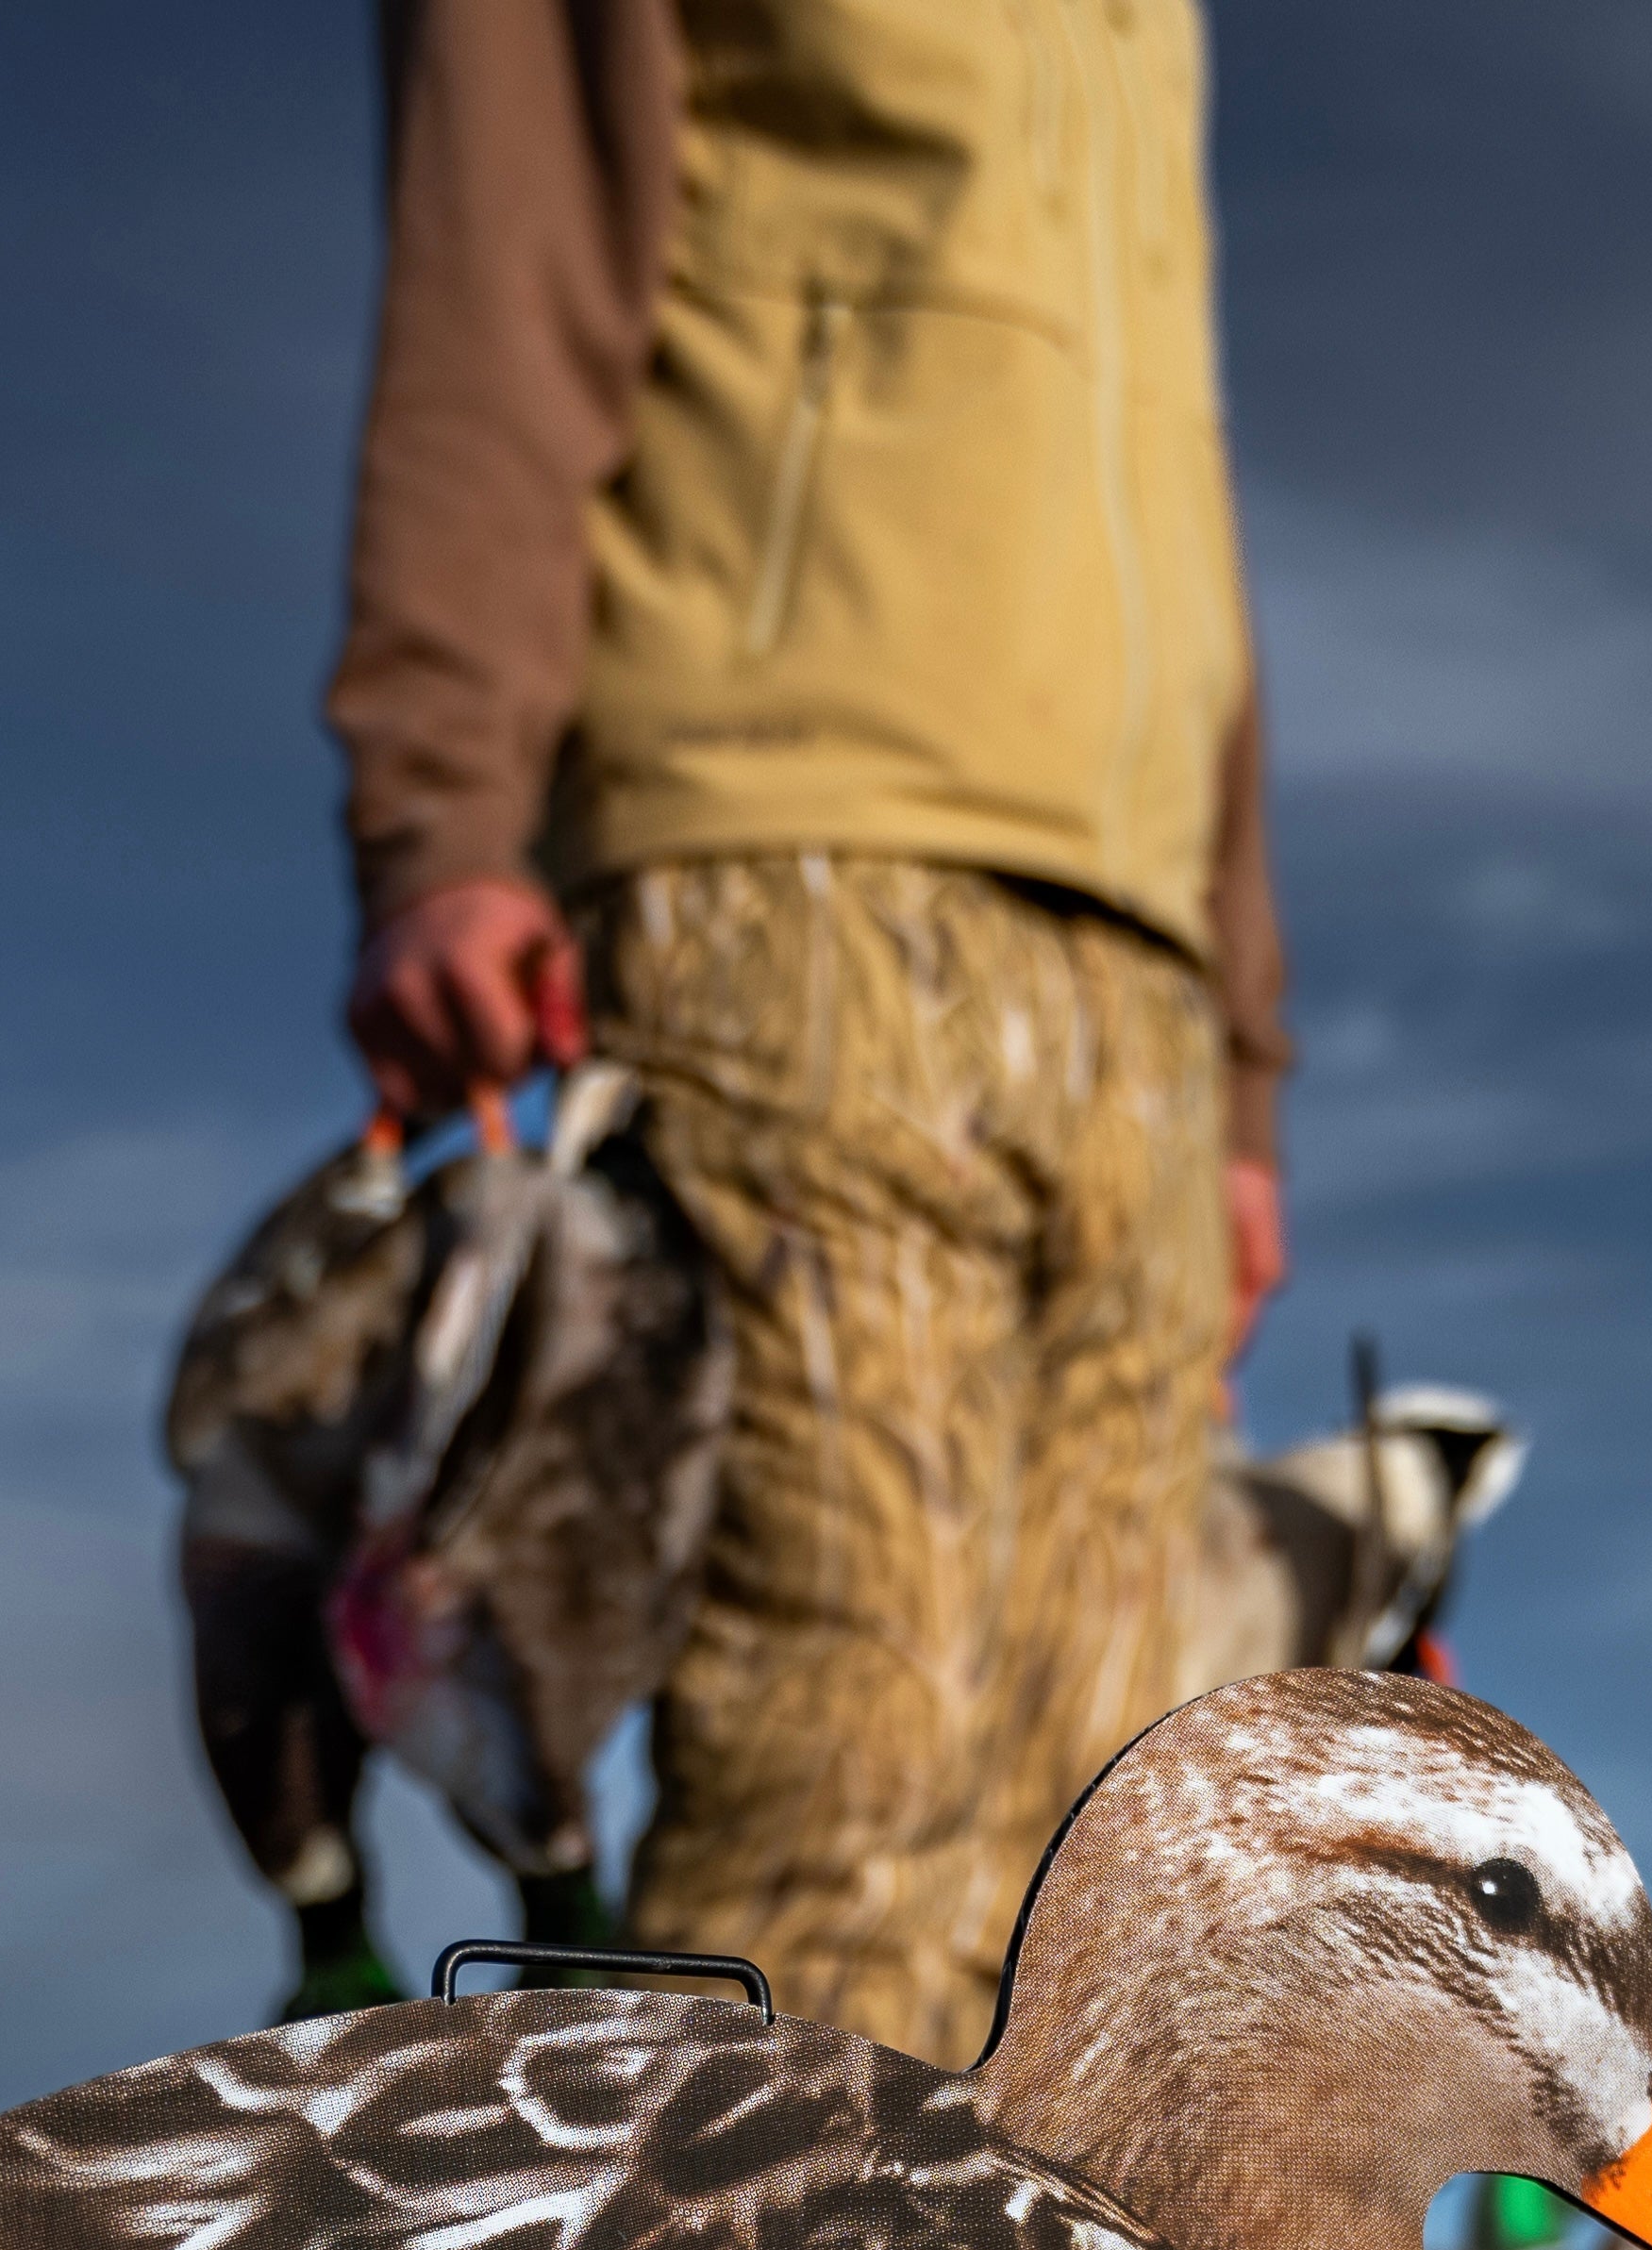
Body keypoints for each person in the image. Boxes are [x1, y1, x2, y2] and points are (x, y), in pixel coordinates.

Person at [329, 0, 1293, 2068]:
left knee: (1104, 1879)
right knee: (842, 1784)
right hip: (789, 860)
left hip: (1133, 980)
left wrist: (1241, 1074)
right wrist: (444, 818)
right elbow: (508, 268)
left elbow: (1174, 486)